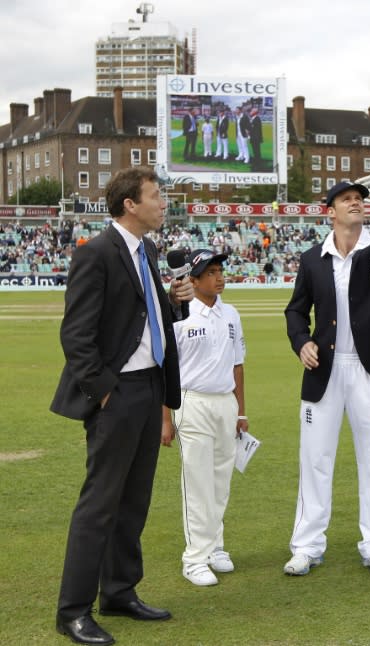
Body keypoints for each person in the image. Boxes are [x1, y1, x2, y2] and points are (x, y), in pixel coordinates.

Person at [50, 167, 194, 646]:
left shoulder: (146, 250)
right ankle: (73, 610)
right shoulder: (95, 253)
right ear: (130, 204)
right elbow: (76, 335)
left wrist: (176, 303)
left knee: (134, 501)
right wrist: (105, 391)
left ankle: (118, 591)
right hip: (118, 393)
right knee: (100, 505)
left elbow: (142, 318)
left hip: (149, 387)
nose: (162, 202)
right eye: (155, 195)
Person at [283, 172, 370, 578]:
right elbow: (295, 310)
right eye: (346, 199)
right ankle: (306, 546)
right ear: (331, 212)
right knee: (315, 460)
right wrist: (301, 341)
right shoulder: (312, 259)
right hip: (323, 370)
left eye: (359, 198)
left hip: (367, 368)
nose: (356, 202)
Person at [161, 249, 247, 587]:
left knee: (220, 482)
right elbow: (164, 368)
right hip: (191, 401)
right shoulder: (180, 317)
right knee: (197, 483)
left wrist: (241, 410)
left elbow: (238, 365)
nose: (219, 277)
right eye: (211, 273)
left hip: (225, 403)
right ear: (193, 281)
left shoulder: (231, 315)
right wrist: (165, 418)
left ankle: (215, 547)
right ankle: (194, 558)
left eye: (220, 271)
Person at [249, 107, 263, 171]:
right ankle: (255, 164)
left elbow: (257, 131)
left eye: (251, 111)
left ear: (254, 112)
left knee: (257, 152)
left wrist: (254, 138)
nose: (250, 112)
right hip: (254, 138)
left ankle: (257, 166)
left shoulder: (257, 119)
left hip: (255, 139)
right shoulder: (253, 119)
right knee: (255, 152)